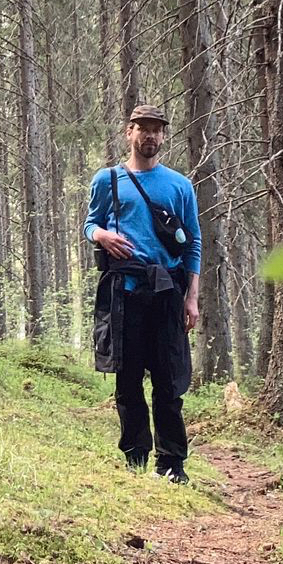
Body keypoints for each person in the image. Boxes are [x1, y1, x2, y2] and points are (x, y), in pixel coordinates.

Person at [85, 103, 201, 483]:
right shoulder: (108, 180)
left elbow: (193, 243)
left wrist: (191, 297)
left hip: (167, 291)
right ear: (129, 132)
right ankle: (134, 459)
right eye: (143, 128)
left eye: (157, 129)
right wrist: (102, 235)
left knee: (169, 381)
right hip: (124, 292)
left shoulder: (180, 186)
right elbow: (90, 223)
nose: (150, 135)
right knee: (128, 380)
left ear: (163, 136)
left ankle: (172, 465)